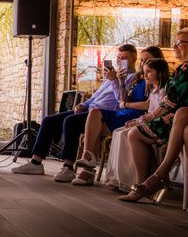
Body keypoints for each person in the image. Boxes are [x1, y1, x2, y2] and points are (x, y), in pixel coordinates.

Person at [12, 44, 142, 182]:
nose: (119, 61)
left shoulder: (133, 79)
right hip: (90, 108)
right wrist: (83, 104)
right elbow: (97, 95)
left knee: (70, 122)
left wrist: (115, 80)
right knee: (49, 121)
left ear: (134, 59)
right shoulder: (112, 76)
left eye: (124, 58)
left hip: (103, 114)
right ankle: (36, 163)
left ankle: (68, 167)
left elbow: (120, 101)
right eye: (118, 57)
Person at [70, 46, 161, 185]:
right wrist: (119, 82)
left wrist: (125, 101)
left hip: (135, 113)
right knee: (94, 114)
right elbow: (122, 99)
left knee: (93, 122)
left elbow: (147, 104)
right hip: (123, 110)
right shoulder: (138, 77)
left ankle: (87, 169)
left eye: (148, 60)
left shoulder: (151, 80)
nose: (144, 64)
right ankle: (88, 159)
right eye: (142, 60)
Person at [119, 28, 188, 203]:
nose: (175, 47)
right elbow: (168, 100)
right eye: (174, 43)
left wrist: (147, 118)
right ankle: (144, 182)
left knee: (134, 132)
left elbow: (172, 100)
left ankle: (156, 178)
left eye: (179, 43)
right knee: (132, 133)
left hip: (175, 117)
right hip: (173, 116)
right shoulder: (181, 69)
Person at [103, 57, 169, 191]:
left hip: (158, 125)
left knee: (126, 134)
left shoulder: (165, 91)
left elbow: (157, 114)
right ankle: (119, 178)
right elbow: (150, 111)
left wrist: (138, 121)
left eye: (149, 72)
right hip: (148, 120)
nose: (145, 75)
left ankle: (133, 180)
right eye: (144, 71)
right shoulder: (153, 90)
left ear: (160, 73)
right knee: (118, 131)